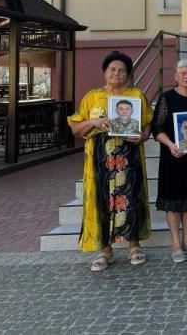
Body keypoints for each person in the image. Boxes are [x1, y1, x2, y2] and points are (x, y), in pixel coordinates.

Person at [68, 51, 153, 272]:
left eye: (121, 70)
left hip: (129, 155)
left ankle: (134, 246)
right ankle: (105, 250)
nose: (116, 73)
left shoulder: (137, 95)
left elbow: (146, 124)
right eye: (112, 69)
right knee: (102, 201)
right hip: (100, 159)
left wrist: (142, 136)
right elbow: (76, 128)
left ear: (127, 74)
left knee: (132, 196)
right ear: (105, 72)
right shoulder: (91, 97)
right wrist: (94, 121)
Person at [151, 59, 187, 263]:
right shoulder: (167, 98)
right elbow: (156, 129)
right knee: (174, 203)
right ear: (175, 76)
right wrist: (170, 145)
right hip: (173, 158)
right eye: (183, 73)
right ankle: (176, 244)